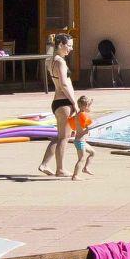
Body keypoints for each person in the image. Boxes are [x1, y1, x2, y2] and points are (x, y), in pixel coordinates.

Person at [37, 33, 78, 177]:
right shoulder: (60, 62)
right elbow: (64, 84)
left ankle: (44, 164)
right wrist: (74, 103)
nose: (71, 49)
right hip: (64, 102)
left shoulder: (51, 60)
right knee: (64, 138)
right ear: (60, 45)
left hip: (57, 102)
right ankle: (60, 169)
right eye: (69, 46)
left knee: (60, 136)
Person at [68, 95, 97, 178]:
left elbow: (75, 127)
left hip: (80, 141)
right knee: (81, 159)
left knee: (93, 152)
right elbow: (87, 127)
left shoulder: (78, 115)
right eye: (89, 106)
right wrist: (89, 128)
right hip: (80, 142)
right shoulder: (83, 115)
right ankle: (75, 176)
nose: (90, 108)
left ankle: (85, 168)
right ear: (85, 106)